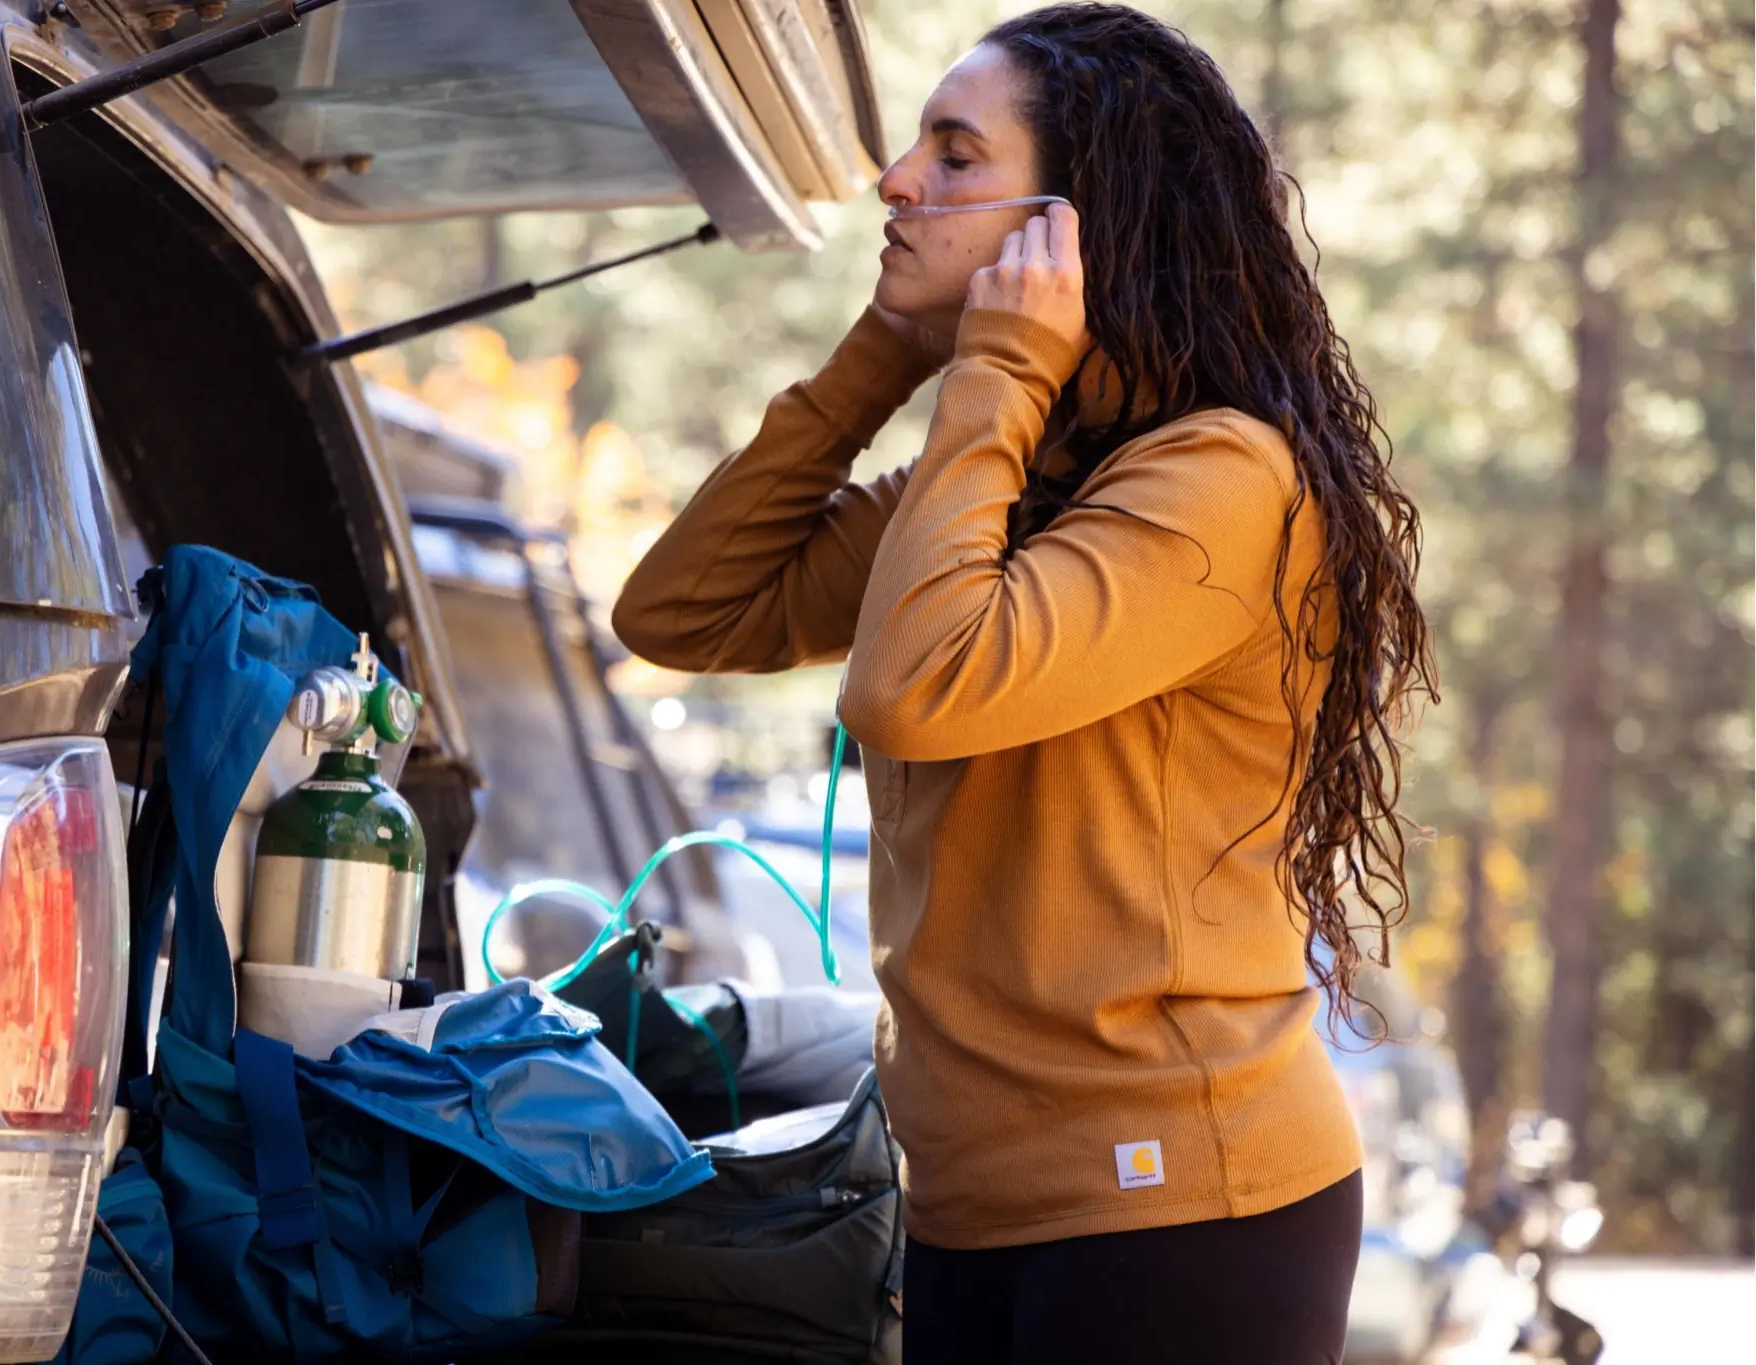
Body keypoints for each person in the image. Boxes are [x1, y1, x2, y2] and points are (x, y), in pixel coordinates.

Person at [612, 3, 1434, 1362]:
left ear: (1075, 224)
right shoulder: (1009, 470)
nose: (895, 182)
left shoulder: (1222, 479)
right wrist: (888, 350)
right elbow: (684, 610)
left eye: (953, 155)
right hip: (972, 1210)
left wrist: (991, 370)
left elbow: (913, 687)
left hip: (1180, 1212)